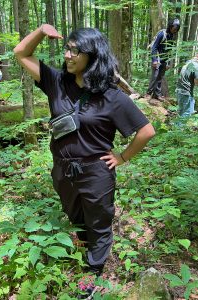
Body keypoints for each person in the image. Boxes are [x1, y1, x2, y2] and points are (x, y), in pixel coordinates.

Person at [14, 24, 155, 299]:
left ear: (93, 55)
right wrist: (42, 31)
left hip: (95, 173)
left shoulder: (111, 96)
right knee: (76, 216)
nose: (68, 55)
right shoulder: (57, 82)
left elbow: (146, 131)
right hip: (63, 170)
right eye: (67, 48)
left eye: (75, 50)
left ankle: (92, 274)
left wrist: (122, 157)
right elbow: (21, 53)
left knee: (99, 222)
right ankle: (83, 251)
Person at [145, 19, 180, 101]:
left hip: (164, 58)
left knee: (160, 76)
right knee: (155, 75)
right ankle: (148, 93)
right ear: (170, 26)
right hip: (157, 56)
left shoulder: (172, 36)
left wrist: (167, 62)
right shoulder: (162, 34)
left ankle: (157, 94)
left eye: (176, 28)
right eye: (174, 27)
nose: (175, 30)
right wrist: (154, 60)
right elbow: (154, 47)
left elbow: (169, 50)